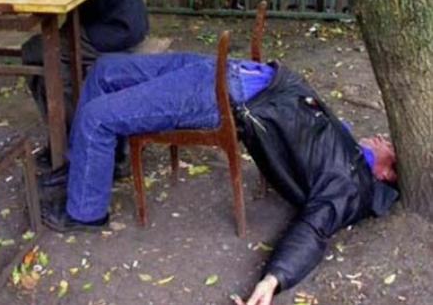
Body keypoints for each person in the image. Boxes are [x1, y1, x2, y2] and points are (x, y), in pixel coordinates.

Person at [40, 49, 399, 304]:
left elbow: (313, 230)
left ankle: (86, 212)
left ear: (384, 174)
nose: (383, 139)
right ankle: (91, 167)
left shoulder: (350, 186)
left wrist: (273, 280)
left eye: (390, 149)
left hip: (222, 95)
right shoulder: (351, 151)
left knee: (97, 118)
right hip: (227, 71)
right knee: (105, 70)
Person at [18, 0, 149, 167]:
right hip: (87, 23)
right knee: (42, 52)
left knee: (41, 53)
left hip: (116, 25)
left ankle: (81, 143)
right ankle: (72, 140)